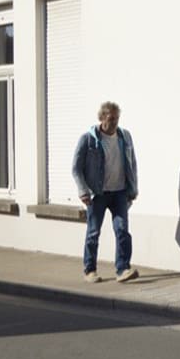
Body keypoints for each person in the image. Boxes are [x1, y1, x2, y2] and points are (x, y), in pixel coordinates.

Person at [72, 101, 139, 283]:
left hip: (120, 193)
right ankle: (90, 270)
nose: (115, 122)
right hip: (97, 194)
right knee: (94, 232)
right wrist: (83, 191)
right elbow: (76, 168)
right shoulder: (88, 139)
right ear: (102, 118)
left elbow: (132, 163)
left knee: (122, 230)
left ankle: (123, 269)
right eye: (111, 119)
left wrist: (133, 188)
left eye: (117, 118)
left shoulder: (125, 137)